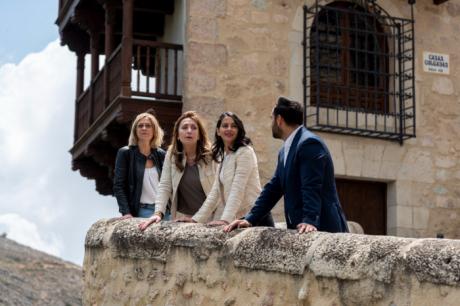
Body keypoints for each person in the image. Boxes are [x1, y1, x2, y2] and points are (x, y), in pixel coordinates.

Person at [224, 97, 348, 234]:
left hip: (324, 229)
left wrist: (310, 220)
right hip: (300, 230)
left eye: (272, 119)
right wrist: (250, 219)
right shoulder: (284, 150)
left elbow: (312, 185)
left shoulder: (309, 143)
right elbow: (274, 188)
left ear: (279, 120)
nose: (271, 123)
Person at [177, 112, 274, 227]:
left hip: (256, 217)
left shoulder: (245, 152)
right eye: (225, 125)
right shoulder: (224, 156)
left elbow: (238, 188)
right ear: (218, 131)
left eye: (233, 126)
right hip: (239, 219)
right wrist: (196, 219)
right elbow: (215, 193)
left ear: (239, 130)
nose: (229, 129)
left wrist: (225, 220)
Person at [138, 111, 219, 230]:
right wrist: (158, 213)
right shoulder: (172, 154)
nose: (189, 131)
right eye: (185, 127)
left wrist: (197, 218)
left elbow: (218, 191)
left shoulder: (212, 156)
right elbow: (165, 185)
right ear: (177, 135)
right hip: (184, 217)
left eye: (194, 128)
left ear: (199, 135)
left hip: (213, 216)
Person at [113, 112, 166, 218]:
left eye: (148, 126)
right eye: (140, 125)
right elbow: (119, 186)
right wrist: (126, 212)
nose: (144, 128)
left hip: (163, 211)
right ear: (135, 130)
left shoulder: (161, 154)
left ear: (154, 130)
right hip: (142, 211)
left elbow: (169, 185)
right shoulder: (125, 153)